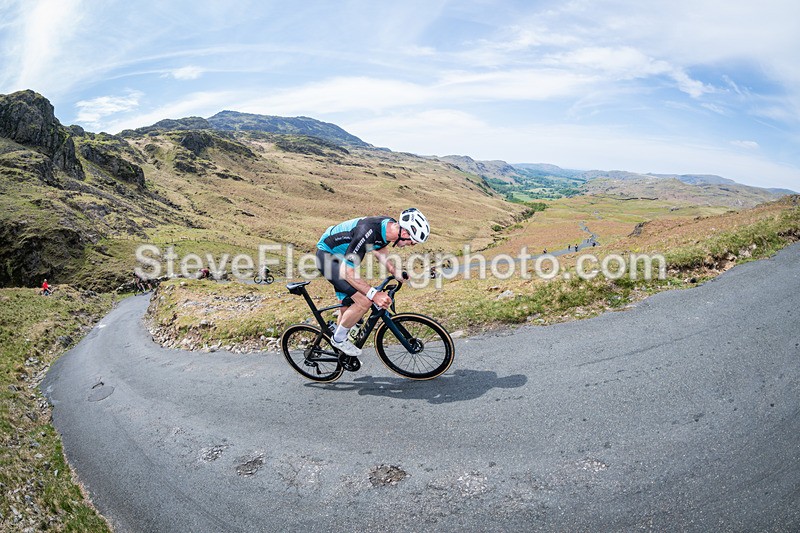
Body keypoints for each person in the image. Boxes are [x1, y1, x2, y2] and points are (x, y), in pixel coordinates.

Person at [316, 208, 430, 357]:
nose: (411, 245)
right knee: (364, 301)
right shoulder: (366, 232)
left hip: (342, 257)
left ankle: (340, 355)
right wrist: (374, 294)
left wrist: (393, 270)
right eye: (412, 242)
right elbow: (346, 272)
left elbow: (379, 248)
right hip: (328, 257)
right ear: (404, 233)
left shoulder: (389, 227)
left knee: (347, 307)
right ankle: (338, 340)